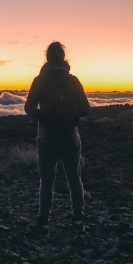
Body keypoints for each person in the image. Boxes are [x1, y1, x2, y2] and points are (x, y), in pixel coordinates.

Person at [24, 41, 90, 234]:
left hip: (46, 137)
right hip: (70, 135)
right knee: (74, 178)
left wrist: (44, 118)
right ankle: (78, 222)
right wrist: (73, 119)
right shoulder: (73, 80)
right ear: (63, 58)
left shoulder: (40, 80)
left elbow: (29, 109)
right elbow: (86, 109)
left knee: (47, 181)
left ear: (47, 58)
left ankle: (43, 224)